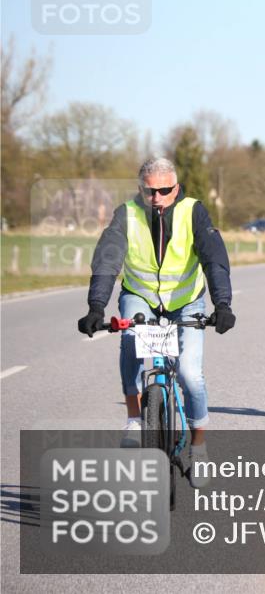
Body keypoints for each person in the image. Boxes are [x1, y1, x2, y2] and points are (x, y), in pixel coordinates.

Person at [77, 158, 235, 486]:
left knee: (190, 374)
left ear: (176, 188)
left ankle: (199, 447)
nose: (158, 196)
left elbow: (214, 258)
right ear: (141, 189)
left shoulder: (194, 211)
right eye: (151, 191)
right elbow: (107, 259)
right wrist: (96, 307)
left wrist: (222, 304)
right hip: (141, 296)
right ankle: (135, 419)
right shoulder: (127, 214)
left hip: (185, 302)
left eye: (165, 190)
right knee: (131, 340)